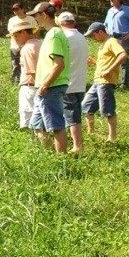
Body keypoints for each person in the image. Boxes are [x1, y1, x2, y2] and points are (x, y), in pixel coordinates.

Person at [25, 1, 71, 153]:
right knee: (37, 124)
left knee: (56, 125)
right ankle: (49, 154)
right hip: (45, 87)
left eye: (36, 16)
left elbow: (59, 64)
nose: (35, 19)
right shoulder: (51, 34)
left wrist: (45, 84)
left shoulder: (54, 35)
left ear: (44, 15)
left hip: (51, 86)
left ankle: (61, 158)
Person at [82, 22, 128, 142]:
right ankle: (91, 133)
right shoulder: (103, 44)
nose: (93, 38)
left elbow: (123, 55)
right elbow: (106, 62)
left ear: (100, 32)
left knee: (108, 110)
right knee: (86, 106)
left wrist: (109, 69)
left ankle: (112, 138)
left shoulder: (111, 41)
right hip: (97, 81)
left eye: (93, 35)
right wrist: (95, 62)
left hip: (106, 82)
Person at [56, 13, 89, 153]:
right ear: (73, 22)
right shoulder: (81, 37)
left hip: (68, 82)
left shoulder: (64, 37)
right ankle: (75, 142)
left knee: (71, 116)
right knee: (75, 114)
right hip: (80, 82)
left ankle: (77, 145)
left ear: (60, 23)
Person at [103, 0, 129, 88]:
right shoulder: (110, 11)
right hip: (111, 38)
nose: (111, 1)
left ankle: (124, 84)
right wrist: (106, 32)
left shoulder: (127, 10)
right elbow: (105, 24)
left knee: (123, 61)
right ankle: (111, 82)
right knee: (111, 60)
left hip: (122, 38)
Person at [9, 18, 40, 130]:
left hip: (30, 87)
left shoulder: (27, 48)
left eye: (16, 36)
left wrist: (40, 88)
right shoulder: (40, 44)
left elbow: (31, 71)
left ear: (23, 32)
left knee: (29, 121)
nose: (15, 39)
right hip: (42, 85)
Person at [7, 3, 37, 84]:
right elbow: (12, 33)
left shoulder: (31, 19)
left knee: (29, 64)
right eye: (14, 10)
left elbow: (35, 32)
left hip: (29, 46)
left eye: (17, 9)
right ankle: (15, 82)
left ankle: (29, 81)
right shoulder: (12, 20)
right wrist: (19, 45)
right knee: (15, 65)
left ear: (23, 9)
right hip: (15, 47)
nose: (15, 11)